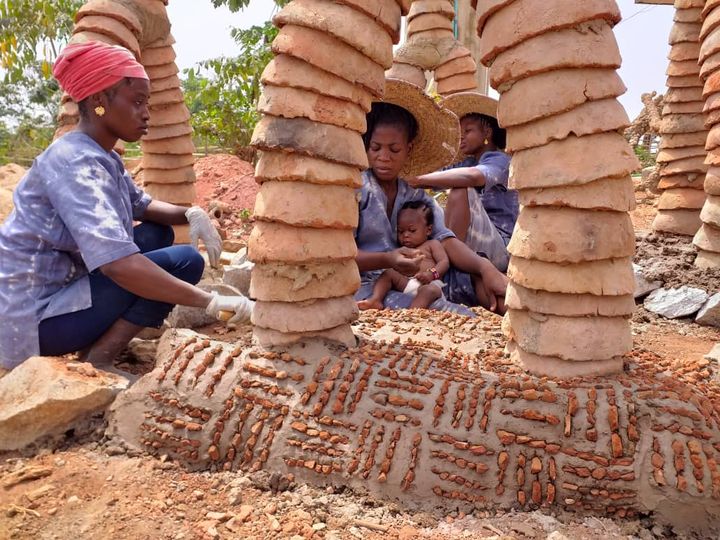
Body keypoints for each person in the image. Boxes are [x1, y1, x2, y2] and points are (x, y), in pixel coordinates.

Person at [0, 41, 253, 379]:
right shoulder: (75, 164)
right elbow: (118, 266)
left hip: (63, 289)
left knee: (156, 232)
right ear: (98, 102)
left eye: (146, 102)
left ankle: (98, 344)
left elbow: (141, 205)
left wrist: (192, 214)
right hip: (33, 320)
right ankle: (100, 358)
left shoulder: (104, 158)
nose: (146, 113)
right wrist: (208, 300)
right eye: (136, 102)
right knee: (185, 261)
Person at [355, 79, 508, 315]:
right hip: (370, 284)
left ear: (409, 148)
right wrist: (387, 259)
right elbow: (339, 252)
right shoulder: (358, 188)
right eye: (376, 148)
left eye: (394, 150)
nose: (383, 157)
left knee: (487, 285)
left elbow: (446, 239)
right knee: (449, 311)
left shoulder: (412, 193)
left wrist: (485, 267)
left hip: (419, 277)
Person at [405, 92, 518, 272]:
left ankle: (450, 261)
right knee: (424, 204)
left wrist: (418, 180)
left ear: (487, 132)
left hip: (499, 247)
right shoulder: (469, 162)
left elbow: (472, 177)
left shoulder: (500, 161)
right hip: (476, 243)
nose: (461, 137)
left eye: (468, 131)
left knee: (460, 189)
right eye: (460, 132)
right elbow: (437, 175)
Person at [358, 201, 449, 310]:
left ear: (428, 230)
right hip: (408, 283)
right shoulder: (402, 249)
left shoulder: (432, 244)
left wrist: (431, 274)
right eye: (400, 231)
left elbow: (444, 262)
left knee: (429, 291)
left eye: (412, 230)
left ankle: (412, 312)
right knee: (388, 273)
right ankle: (375, 299)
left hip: (430, 283)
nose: (405, 235)